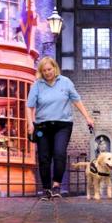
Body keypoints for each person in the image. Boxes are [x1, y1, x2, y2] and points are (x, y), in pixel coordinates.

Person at [27, 56, 94, 200]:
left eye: (49, 69)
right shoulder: (37, 85)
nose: (47, 73)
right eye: (44, 71)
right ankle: (46, 189)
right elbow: (29, 106)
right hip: (42, 126)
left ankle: (56, 185)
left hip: (63, 125)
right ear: (41, 72)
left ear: (55, 68)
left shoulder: (65, 82)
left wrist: (88, 117)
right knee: (44, 157)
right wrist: (30, 124)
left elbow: (77, 100)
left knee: (59, 153)